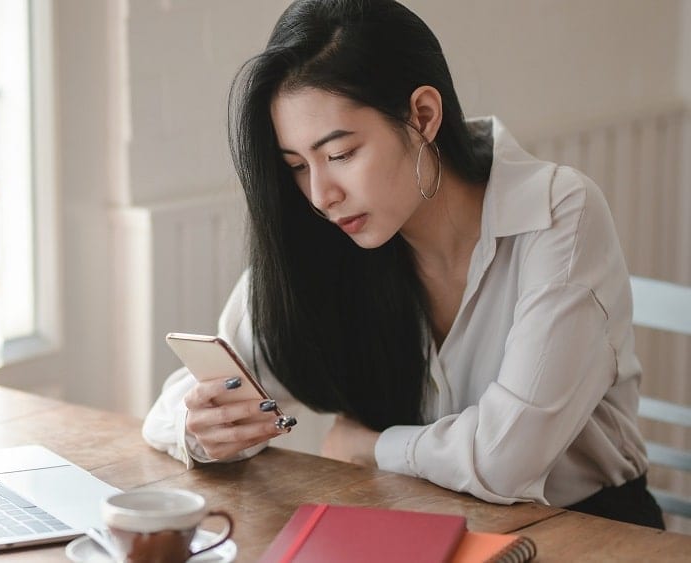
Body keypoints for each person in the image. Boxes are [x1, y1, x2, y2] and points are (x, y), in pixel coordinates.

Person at [141, 0, 665, 529]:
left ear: (423, 116)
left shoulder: (556, 213)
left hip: (590, 529)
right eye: (298, 166)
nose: (322, 195)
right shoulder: (329, 244)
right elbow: (176, 406)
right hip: (416, 526)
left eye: (341, 154)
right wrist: (203, 429)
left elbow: (506, 461)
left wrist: (369, 445)